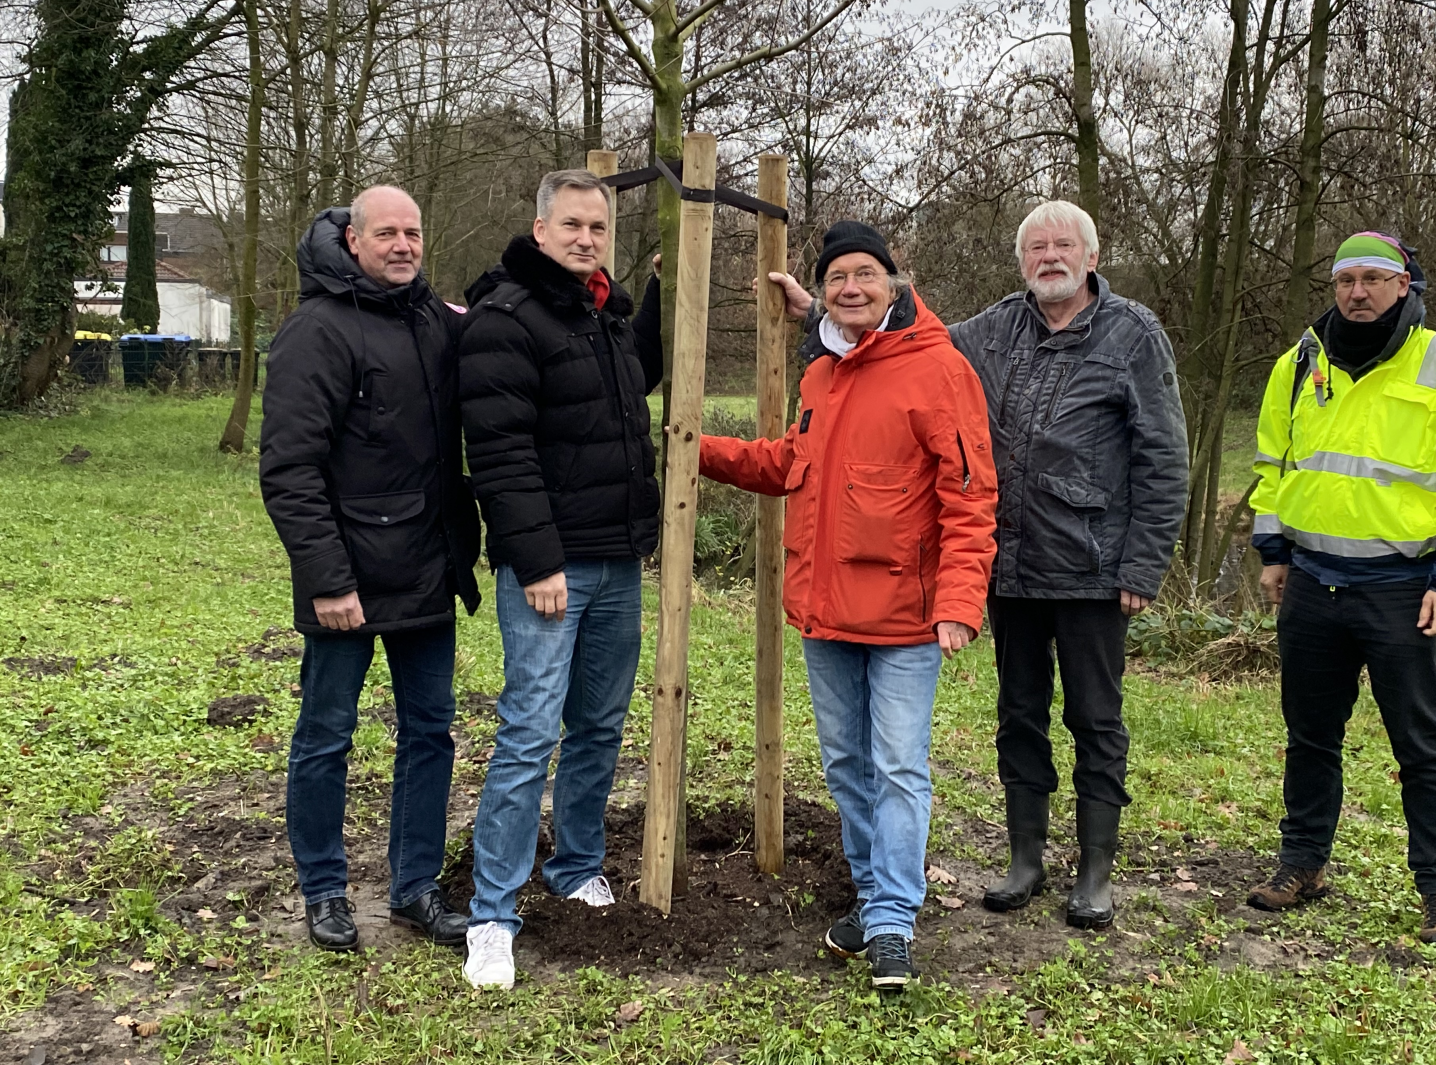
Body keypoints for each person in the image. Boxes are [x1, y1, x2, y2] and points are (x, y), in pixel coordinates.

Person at [769, 203, 1187, 928]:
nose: (1049, 257)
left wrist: (1142, 564)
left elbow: (1163, 455)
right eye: (1036, 247)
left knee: (1095, 716)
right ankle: (1026, 858)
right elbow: (894, 347)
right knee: (1019, 714)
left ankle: (1094, 868)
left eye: (1064, 245)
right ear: (1022, 261)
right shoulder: (994, 328)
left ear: (1091, 256)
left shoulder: (1133, 335)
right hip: (1012, 565)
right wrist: (819, 312)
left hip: (1092, 566)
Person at [703, 220, 998, 992]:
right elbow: (791, 464)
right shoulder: (822, 376)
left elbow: (969, 495)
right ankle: (873, 900)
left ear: (895, 284)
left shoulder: (939, 369)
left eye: (866, 274)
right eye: (838, 278)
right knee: (847, 766)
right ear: (824, 293)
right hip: (826, 611)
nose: (852, 288)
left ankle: (894, 921)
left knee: (898, 766)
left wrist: (962, 600)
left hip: (906, 615)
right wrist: (696, 448)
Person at [1247, 232, 1436, 945]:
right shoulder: (1300, 363)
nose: (1356, 293)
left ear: (1403, 285)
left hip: (1403, 588)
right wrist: (1273, 550)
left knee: (1421, 745)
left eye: (1372, 279)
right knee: (1309, 736)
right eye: (1344, 280)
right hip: (1311, 581)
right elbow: (1275, 462)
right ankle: (1302, 862)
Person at [260, 186, 482, 952]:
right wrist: (328, 579)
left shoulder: (434, 322)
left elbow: (506, 343)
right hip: (346, 581)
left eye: (414, 232)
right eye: (387, 233)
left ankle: (414, 887)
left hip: (426, 568)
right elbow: (290, 470)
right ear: (352, 239)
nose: (403, 245)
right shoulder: (314, 332)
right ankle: (323, 890)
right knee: (327, 735)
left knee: (431, 733)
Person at [455, 169, 662, 990]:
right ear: (540, 230)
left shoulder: (603, 315)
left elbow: (623, 399)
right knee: (529, 733)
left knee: (600, 727)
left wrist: (658, 299)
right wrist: (537, 560)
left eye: (598, 227)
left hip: (616, 560)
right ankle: (492, 917)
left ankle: (574, 866)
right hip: (553, 568)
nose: (586, 237)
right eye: (572, 225)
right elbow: (499, 452)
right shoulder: (507, 318)